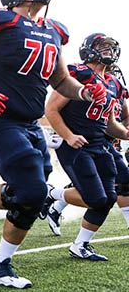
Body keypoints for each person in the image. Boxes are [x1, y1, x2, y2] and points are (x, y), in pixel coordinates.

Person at [0, 0, 107, 289]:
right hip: (1, 120)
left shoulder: (53, 32)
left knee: (29, 192)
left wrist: (85, 92)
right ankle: (0, 265)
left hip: (32, 124)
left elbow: (62, 80)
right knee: (34, 193)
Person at [45, 32, 129, 261]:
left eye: (110, 48)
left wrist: (126, 134)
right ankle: (50, 194)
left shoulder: (113, 84)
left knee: (109, 197)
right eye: (102, 47)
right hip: (75, 144)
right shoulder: (78, 73)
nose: (108, 51)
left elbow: (110, 122)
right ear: (89, 49)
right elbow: (51, 109)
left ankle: (80, 245)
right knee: (96, 198)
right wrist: (69, 136)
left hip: (99, 144)